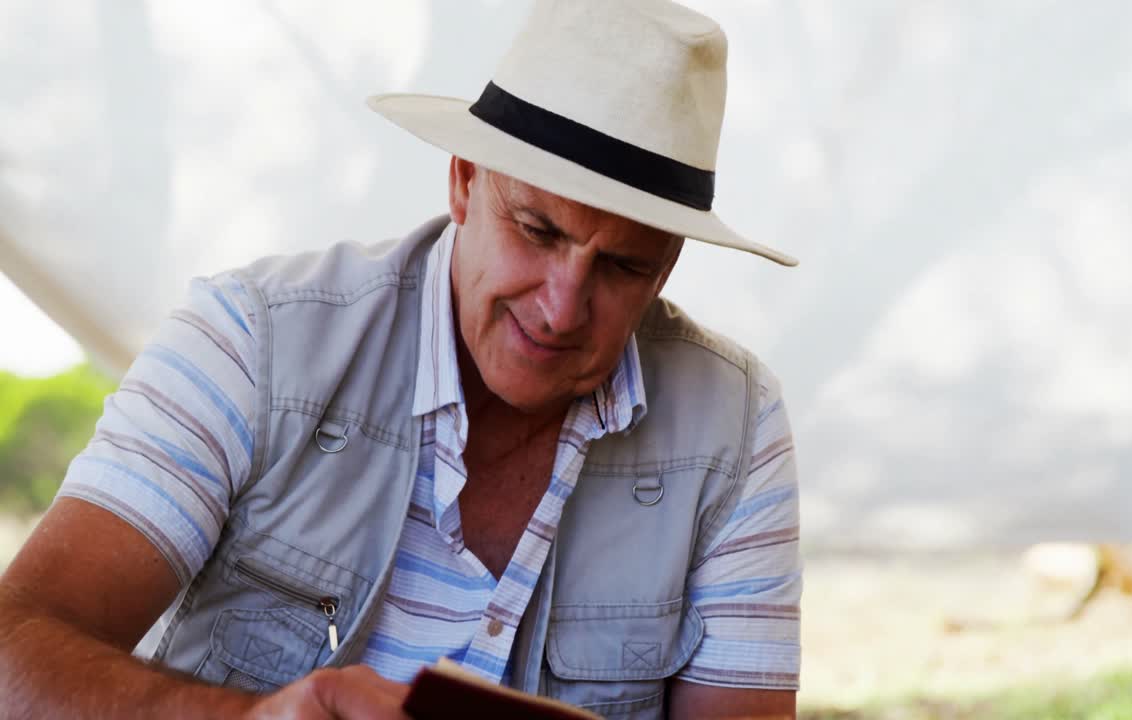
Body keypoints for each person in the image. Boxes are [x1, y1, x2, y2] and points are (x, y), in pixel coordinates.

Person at [0, 1, 802, 718]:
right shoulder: (252, 342)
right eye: (538, 231)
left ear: (665, 269)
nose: (561, 307)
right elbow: (13, 654)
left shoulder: (733, 429)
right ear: (462, 181)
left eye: (622, 267)